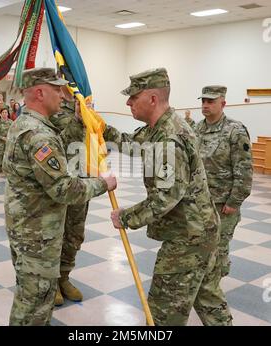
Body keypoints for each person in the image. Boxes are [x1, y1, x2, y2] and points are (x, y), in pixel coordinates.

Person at [108, 68, 232, 326]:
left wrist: (126, 217)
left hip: (187, 239)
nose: (128, 102)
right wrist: (97, 127)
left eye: (133, 96)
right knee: (209, 301)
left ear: (152, 98)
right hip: (201, 231)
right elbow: (130, 143)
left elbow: (167, 196)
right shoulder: (159, 128)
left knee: (163, 314)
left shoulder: (169, 136)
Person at [2, 67, 117, 326]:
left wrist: (77, 122)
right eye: (56, 90)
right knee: (34, 306)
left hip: (27, 228)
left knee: (29, 298)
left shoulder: (25, 124)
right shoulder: (39, 134)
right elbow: (64, 189)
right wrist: (103, 183)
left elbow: (57, 151)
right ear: (40, 93)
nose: (62, 96)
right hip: (37, 235)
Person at [194, 86, 253, 277]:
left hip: (222, 205)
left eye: (211, 101)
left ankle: (214, 292)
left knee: (218, 248)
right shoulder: (197, 129)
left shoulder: (235, 131)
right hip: (199, 202)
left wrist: (234, 202)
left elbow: (244, 171)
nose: (205, 105)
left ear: (223, 103)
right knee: (200, 245)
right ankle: (204, 285)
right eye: (203, 101)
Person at [49, 95, 89, 305]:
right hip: (59, 181)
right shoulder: (52, 108)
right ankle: (52, 281)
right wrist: (77, 118)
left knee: (74, 234)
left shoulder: (84, 106)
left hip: (81, 180)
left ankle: (64, 277)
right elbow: (59, 143)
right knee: (56, 233)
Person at [0, 108, 13, 173]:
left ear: (8, 114)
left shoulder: (11, 122)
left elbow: (13, 131)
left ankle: (7, 168)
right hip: (0, 141)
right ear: (1, 114)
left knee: (8, 154)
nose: (4, 114)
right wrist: (1, 137)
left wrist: (9, 137)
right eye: (3, 112)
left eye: (6, 112)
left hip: (8, 141)